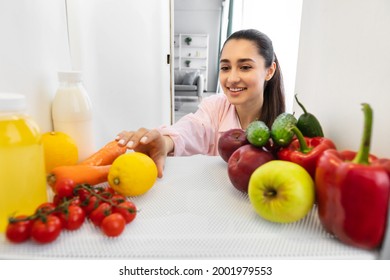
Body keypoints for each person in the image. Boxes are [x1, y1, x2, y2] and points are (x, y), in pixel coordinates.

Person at [116, 29, 285, 178]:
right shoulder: (215, 107)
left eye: (245, 67)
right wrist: (165, 143)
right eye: (225, 68)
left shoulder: (285, 134)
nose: (232, 79)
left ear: (269, 71)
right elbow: (190, 129)